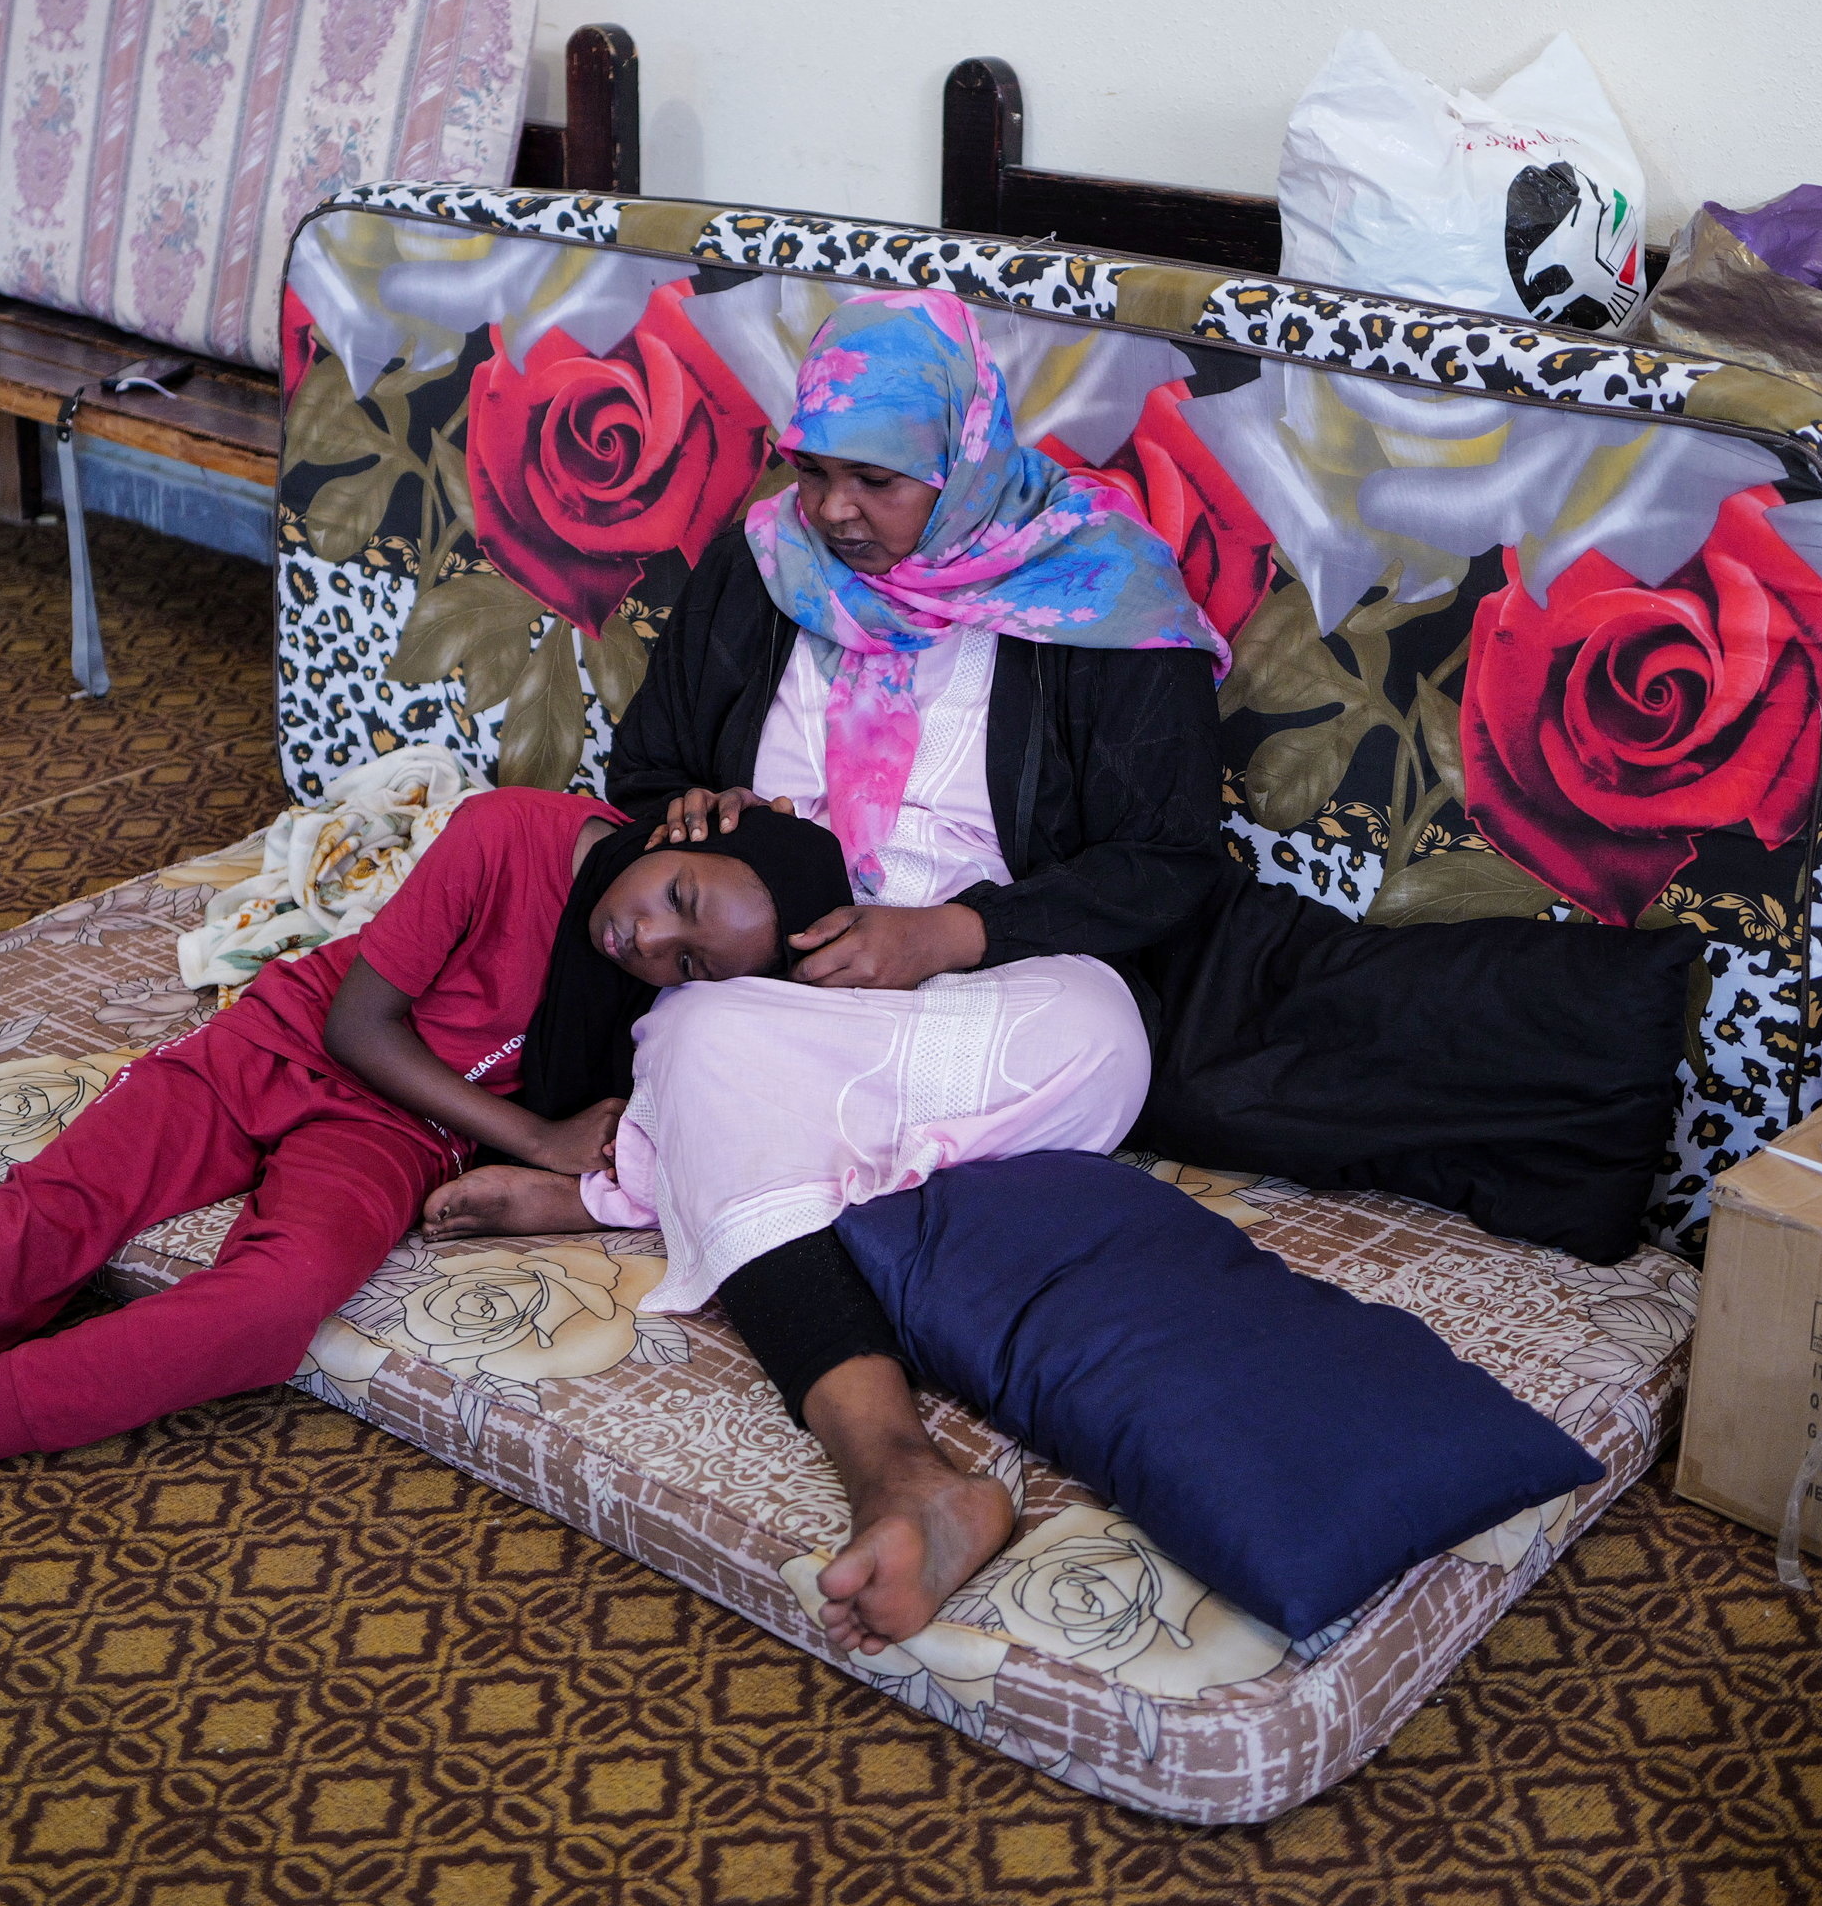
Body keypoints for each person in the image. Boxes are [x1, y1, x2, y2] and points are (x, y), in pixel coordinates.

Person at [430, 287, 1234, 1650]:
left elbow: (1167, 861)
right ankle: (901, 1472)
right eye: (813, 470)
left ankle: (647, 1181)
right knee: (698, 1040)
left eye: (879, 479)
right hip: (773, 993)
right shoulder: (764, 566)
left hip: (996, 984)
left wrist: (952, 932)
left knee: (1103, 1038)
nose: (838, 511)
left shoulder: (1098, 579)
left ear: (965, 452)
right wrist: (687, 811)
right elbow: (649, 771)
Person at [0, 790, 849, 1565]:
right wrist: (535, 1140)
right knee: (40, 1233)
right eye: (676, 898)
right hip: (280, 1049)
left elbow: (691, 1121)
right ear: (679, 833)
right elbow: (355, 1026)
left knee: (266, 1315)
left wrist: (553, 1157)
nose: (650, 941)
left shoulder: (677, 1015)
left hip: (387, 1143)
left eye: (692, 961)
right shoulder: (514, 836)